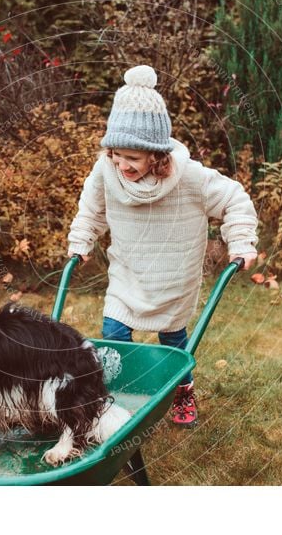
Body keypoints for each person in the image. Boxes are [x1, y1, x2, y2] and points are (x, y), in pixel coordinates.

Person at [67, 65, 259, 426]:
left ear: (156, 154)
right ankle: (114, 403)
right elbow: (92, 209)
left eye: (133, 158)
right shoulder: (106, 171)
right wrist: (81, 240)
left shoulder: (190, 177)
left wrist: (242, 241)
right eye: (116, 155)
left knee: (173, 342)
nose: (122, 164)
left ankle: (181, 390)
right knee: (114, 339)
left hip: (174, 278)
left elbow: (234, 199)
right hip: (128, 274)